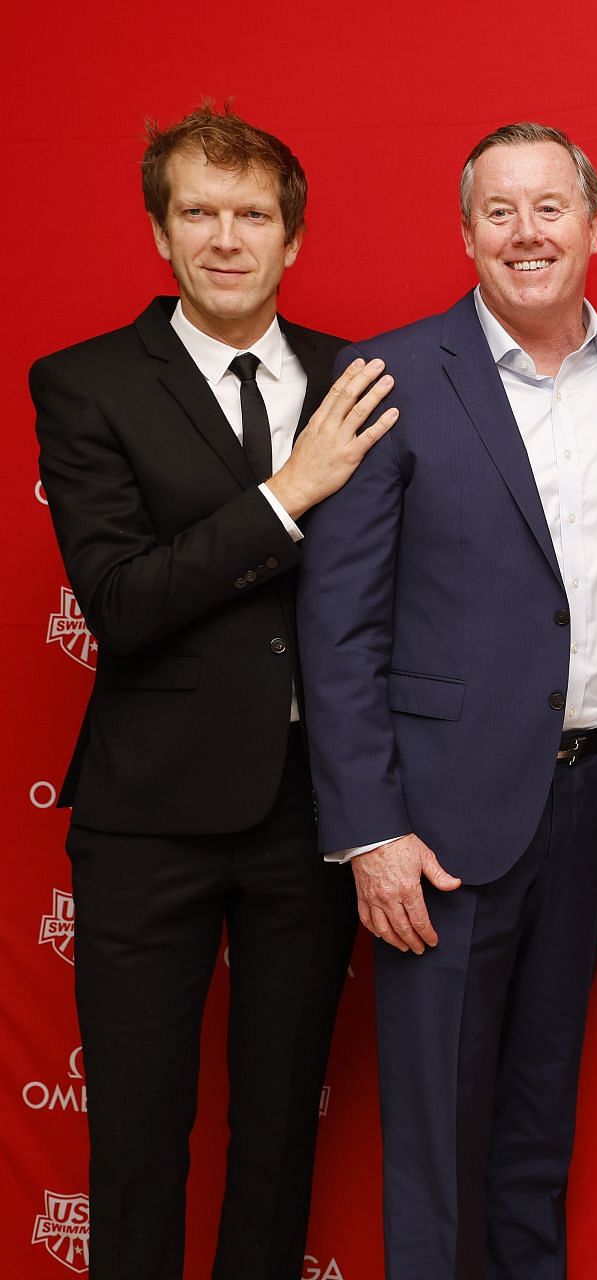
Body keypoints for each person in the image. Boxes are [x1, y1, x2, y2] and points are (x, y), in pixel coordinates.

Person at [295, 122, 597, 1276]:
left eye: (550, 208)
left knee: (536, 1130)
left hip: (592, 803)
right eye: (500, 211)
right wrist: (371, 830)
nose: (527, 233)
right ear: (467, 232)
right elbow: (337, 625)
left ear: (594, 225)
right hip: (433, 823)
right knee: (434, 1139)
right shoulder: (385, 377)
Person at [29, 102, 396, 1279]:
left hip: (311, 812)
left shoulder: (360, 376)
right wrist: (291, 490)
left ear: (293, 238)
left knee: (283, 1126)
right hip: (148, 817)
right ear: (160, 234)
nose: (226, 238)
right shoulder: (84, 384)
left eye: (252, 215)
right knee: (137, 1136)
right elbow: (123, 601)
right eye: (199, 213)